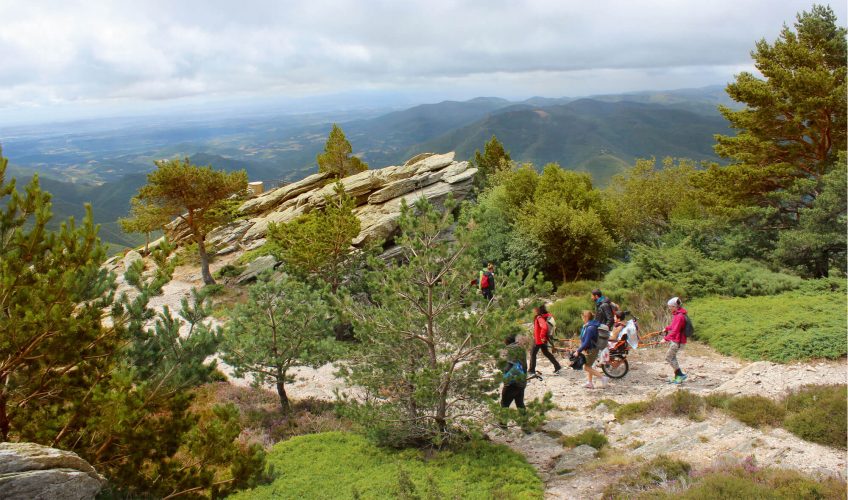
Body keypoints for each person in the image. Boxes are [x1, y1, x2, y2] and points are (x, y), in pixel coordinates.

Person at [575, 310, 609, 389]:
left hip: (591, 349)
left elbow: (587, 342)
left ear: (586, 317)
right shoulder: (590, 325)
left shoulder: (590, 328)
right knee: (589, 366)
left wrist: (578, 351)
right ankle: (590, 383)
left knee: (586, 367)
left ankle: (603, 378)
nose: (582, 319)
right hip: (590, 348)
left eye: (583, 317)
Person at [528, 305, 562, 376]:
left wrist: (541, 336)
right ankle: (557, 366)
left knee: (533, 353)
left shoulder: (539, 317)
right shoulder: (546, 315)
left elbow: (544, 327)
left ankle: (531, 370)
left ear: (537, 309)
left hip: (539, 339)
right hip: (544, 339)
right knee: (546, 353)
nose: (533, 309)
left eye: (534, 308)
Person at [661, 297, 688, 384]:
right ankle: (677, 377)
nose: (669, 308)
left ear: (674, 306)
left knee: (668, 357)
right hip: (677, 340)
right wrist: (666, 328)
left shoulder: (679, 316)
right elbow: (673, 326)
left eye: (670, 307)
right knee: (672, 357)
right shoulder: (678, 314)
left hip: (678, 341)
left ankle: (680, 375)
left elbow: (675, 330)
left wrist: (665, 338)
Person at [500, 334, 528, 412]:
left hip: (511, 383)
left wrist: (505, 378)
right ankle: (524, 422)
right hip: (522, 381)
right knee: (520, 403)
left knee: (504, 405)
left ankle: (502, 424)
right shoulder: (521, 348)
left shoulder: (508, 349)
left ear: (506, 341)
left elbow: (508, 366)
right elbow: (525, 366)